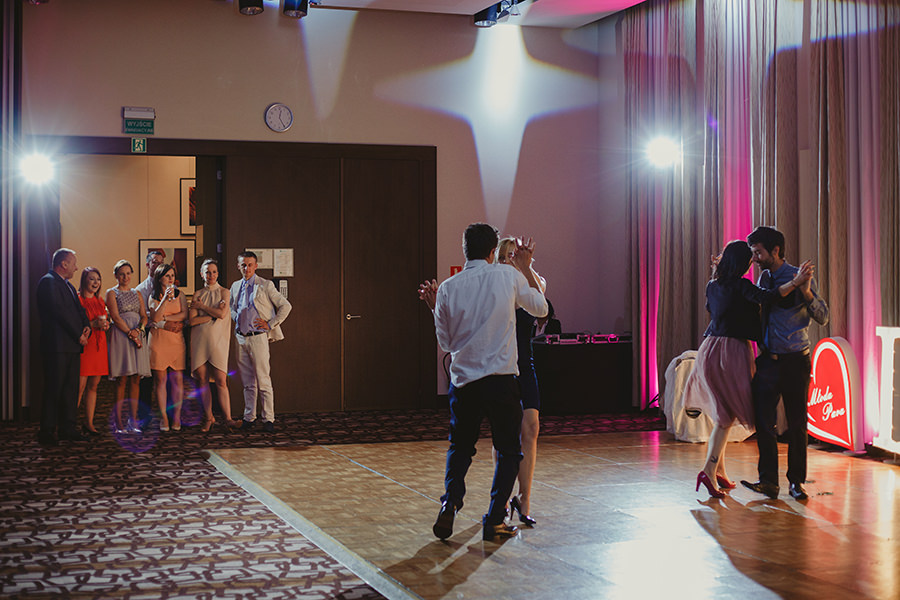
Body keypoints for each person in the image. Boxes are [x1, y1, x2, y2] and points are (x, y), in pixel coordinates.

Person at [418, 223, 547, 542]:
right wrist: (524, 269)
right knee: (509, 451)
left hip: (464, 383)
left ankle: (450, 502)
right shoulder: (507, 276)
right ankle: (494, 520)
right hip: (501, 379)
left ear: (465, 251)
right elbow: (541, 308)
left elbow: (446, 343)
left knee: (460, 448)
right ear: (492, 251)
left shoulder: (448, 287)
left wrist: (436, 310)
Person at [683, 240, 812, 498]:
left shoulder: (712, 285)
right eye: (749, 258)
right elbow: (768, 296)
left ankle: (719, 471)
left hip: (709, 348)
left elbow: (714, 310)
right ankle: (708, 471)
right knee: (726, 416)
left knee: (724, 412)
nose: (753, 262)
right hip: (731, 351)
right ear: (741, 263)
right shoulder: (741, 286)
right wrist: (796, 283)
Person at [741, 226, 830, 501]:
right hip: (768, 361)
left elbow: (823, 317)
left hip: (795, 361)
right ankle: (768, 481)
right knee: (764, 423)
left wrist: (806, 292)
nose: (755, 258)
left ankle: (797, 482)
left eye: (758, 252)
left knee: (797, 423)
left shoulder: (799, 276)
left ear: (775, 250)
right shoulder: (764, 278)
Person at [494, 236, 547, 526]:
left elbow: (542, 304)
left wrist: (526, 269)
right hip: (501, 365)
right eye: (504, 257)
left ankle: (524, 498)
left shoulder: (533, 282)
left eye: (514, 256)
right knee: (505, 433)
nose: (509, 261)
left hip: (525, 365)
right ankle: (501, 499)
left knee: (531, 427)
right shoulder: (495, 285)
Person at [229, 251, 292, 433]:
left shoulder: (265, 285)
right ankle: (249, 417)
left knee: (263, 379)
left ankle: (268, 419)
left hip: (258, 337)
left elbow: (286, 306)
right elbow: (232, 307)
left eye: (250, 264)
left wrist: (270, 324)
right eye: (243, 265)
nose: (246, 268)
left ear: (256, 266)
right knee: (248, 382)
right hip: (241, 337)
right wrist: (237, 318)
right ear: (238, 266)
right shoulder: (235, 286)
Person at [36, 248, 91, 446]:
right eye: (73, 263)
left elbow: (79, 310)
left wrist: (86, 326)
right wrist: (78, 335)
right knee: (54, 389)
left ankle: (68, 429)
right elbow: (60, 313)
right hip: (57, 346)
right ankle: (47, 431)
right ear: (63, 264)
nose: (76, 268)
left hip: (72, 346)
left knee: (70, 390)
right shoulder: (48, 282)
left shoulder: (67, 285)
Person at [189, 258, 237, 431]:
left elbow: (222, 315)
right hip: (199, 341)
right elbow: (192, 321)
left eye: (214, 272)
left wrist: (203, 308)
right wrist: (212, 315)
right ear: (202, 274)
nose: (211, 275)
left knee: (221, 380)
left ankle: (228, 418)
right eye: (208, 272)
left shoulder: (225, 292)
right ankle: (209, 418)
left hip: (219, 341)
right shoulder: (197, 294)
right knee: (202, 380)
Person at [106, 260, 151, 434]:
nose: (125, 277)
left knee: (136, 379)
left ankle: (133, 421)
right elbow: (115, 317)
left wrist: (138, 330)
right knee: (122, 379)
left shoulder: (137, 293)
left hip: (137, 334)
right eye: (122, 274)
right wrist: (130, 333)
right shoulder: (112, 293)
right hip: (121, 335)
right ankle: (119, 423)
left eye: (128, 273)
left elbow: (144, 316)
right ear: (116, 275)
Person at [148, 263, 188, 432]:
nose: (171, 279)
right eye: (167, 276)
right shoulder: (153, 296)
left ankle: (177, 416)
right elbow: (155, 318)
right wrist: (164, 299)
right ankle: (163, 417)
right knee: (161, 380)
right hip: (159, 341)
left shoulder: (181, 295)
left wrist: (166, 318)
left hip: (176, 341)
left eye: (172, 275)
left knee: (178, 380)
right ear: (160, 278)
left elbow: (184, 315)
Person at [135, 249, 167, 428]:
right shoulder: (140, 289)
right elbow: (144, 315)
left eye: (160, 263)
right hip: (147, 335)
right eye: (154, 262)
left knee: (165, 379)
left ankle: (167, 415)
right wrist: (160, 320)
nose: (157, 265)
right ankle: (144, 416)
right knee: (146, 379)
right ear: (147, 265)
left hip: (165, 338)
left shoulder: (169, 286)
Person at [77, 266, 110, 436]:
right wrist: (93, 324)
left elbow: (103, 321)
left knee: (94, 386)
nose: (96, 282)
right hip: (85, 347)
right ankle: (69, 423)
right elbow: (75, 325)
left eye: (98, 279)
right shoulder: (78, 300)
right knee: (79, 387)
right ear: (84, 280)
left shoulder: (100, 301)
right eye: (92, 279)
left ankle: (88, 423)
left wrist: (106, 325)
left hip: (99, 346)